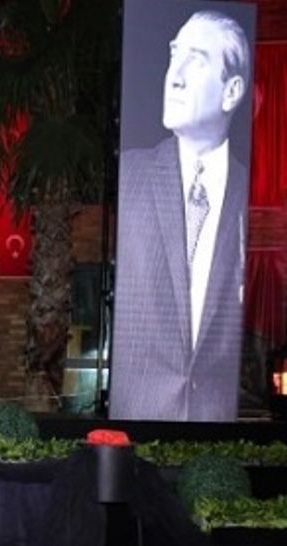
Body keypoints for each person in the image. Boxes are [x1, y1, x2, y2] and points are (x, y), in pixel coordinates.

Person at [111, 9, 251, 422]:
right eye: (175, 55)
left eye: (197, 60)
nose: (174, 76)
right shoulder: (130, 177)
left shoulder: (251, 194)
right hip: (135, 423)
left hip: (217, 427)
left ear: (231, 91)